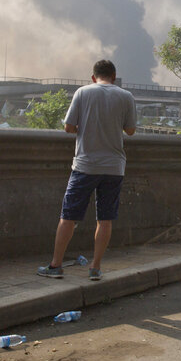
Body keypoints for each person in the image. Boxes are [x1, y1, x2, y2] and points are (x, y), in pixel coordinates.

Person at [37, 59, 136, 281]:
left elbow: (69, 127)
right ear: (114, 75)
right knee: (105, 219)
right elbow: (130, 130)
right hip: (114, 167)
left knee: (68, 217)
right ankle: (95, 267)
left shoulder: (83, 93)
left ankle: (56, 265)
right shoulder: (126, 96)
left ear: (93, 77)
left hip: (85, 165)